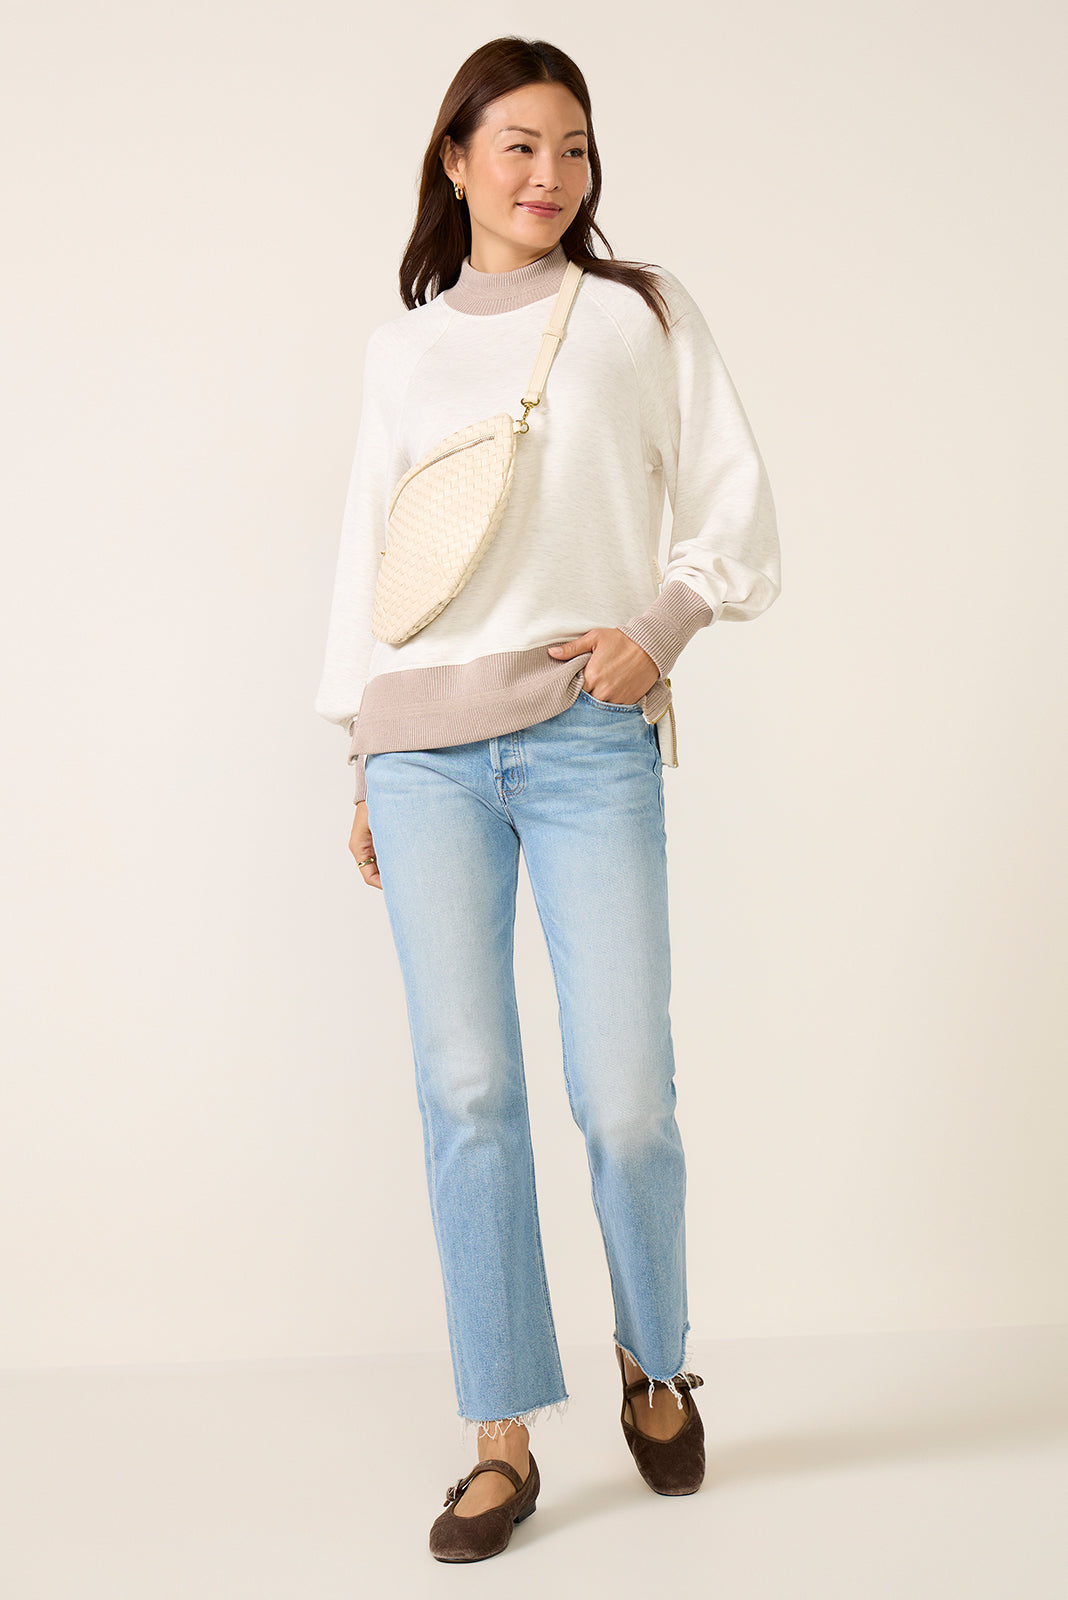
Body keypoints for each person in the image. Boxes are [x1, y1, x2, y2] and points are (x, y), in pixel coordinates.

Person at [314, 35, 780, 1563]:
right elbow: (373, 561)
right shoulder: (404, 350)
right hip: (424, 752)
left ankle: (655, 1357)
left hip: (586, 736)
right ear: (455, 162)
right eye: (517, 144)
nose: (550, 174)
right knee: (467, 1095)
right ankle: (500, 1436)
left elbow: (731, 501)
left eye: (573, 146)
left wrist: (660, 631)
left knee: (626, 1094)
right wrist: (364, 753)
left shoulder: (637, 312)